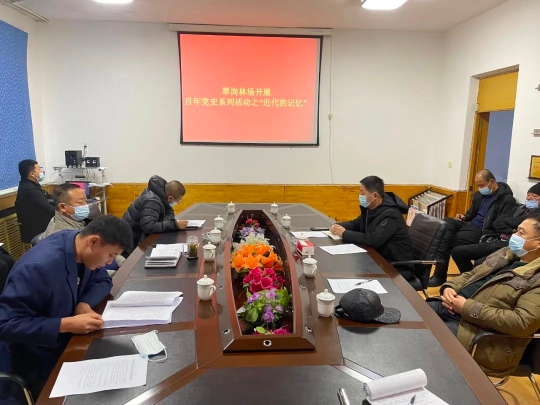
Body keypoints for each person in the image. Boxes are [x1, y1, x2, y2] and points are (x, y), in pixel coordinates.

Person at [0, 215, 132, 402]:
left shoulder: (79, 245)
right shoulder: (39, 268)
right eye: (110, 255)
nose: (109, 262)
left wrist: (83, 303)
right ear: (93, 241)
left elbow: (103, 280)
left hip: (67, 343)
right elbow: (5, 325)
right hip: (33, 359)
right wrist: (65, 324)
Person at [427, 216, 540, 377]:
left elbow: (522, 322)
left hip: (481, 335)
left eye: (521, 233)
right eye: (516, 230)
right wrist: (450, 287)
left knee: (426, 341)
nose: (514, 235)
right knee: (413, 315)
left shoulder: (536, 277)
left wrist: (466, 308)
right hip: (456, 309)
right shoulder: (506, 253)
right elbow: (471, 274)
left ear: (538, 243)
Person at [428, 169, 515, 287]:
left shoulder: (506, 199)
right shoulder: (479, 195)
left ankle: (441, 276)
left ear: (491, 182)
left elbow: (501, 222)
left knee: (447, 241)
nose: (479, 188)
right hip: (469, 224)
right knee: (446, 222)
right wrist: (464, 217)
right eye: (478, 185)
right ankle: (439, 259)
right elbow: (471, 214)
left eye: (481, 185)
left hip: (483, 230)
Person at [330, 176, 415, 280]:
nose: (360, 196)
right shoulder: (370, 208)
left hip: (396, 267)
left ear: (374, 196)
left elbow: (374, 239)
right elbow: (356, 223)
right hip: (378, 259)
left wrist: (344, 233)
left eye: (362, 193)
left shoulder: (391, 214)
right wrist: (338, 226)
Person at [451, 183, 540, 273]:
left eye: (534, 196)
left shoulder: (537, 216)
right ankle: (470, 277)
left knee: (480, 263)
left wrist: (509, 221)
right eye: (528, 195)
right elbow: (497, 222)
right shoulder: (520, 208)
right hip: (498, 239)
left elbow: (513, 221)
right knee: (457, 252)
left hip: (511, 245)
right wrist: (511, 229)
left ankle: (476, 278)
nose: (529, 198)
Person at [44, 183, 126, 271]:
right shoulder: (59, 235)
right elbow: (80, 271)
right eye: (80, 203)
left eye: (86, 201)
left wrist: (123, 262)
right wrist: (117, 273)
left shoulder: (77, 221)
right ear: (63, 207)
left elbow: (105, 244)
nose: (85, 206)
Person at [123, 175, 188, 249]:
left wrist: (164, 222)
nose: (178, 202)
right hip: (131, 241)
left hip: (138, 236)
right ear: (170, 198)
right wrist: (174, 225)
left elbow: (169, 211)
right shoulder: (152, 201)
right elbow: (148, 227)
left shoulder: (161, 195)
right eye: (178, 200)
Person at [14, 159, 55, 243]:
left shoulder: (32, 185)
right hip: (37, 231)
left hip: (41, 226)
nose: (42, 172)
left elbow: (49, 198)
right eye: (39, 169)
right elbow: (49, 208)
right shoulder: (29, 189)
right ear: (32, 174)